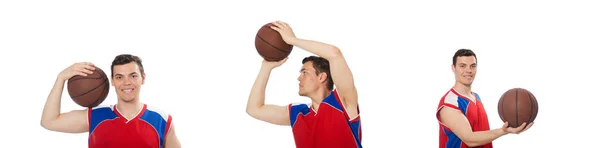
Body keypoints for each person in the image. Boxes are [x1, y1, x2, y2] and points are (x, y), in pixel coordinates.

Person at [246, 21, 362, 148]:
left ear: (322, 77)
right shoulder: (299, 113)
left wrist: (292, 40)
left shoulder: (343, 103)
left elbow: (334, 54)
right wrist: (266, 67)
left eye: (305, 73)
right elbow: (254, 109)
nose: (299, 78)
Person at [40, 54, 181, 148]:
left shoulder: (162, 120)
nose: (127, 82)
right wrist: (61, 78)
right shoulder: (95, 116)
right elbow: (49, 121)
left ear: (142, 78)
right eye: (119, 77)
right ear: (112, 80)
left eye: (133, 76)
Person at [436, 49, 534, 148]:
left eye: (473, 66)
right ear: (453, 68)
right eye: (462, 66)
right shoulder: (449, 103)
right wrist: (503, 131)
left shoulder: (476, 97)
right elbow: (469, 139)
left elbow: (482, 135)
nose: (469, 70)